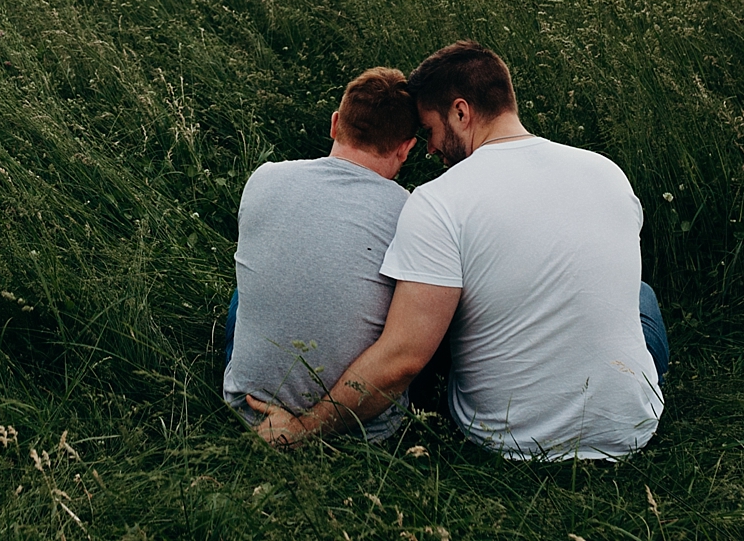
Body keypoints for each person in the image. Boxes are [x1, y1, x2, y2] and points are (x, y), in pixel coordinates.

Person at [247, 41, 667, 460]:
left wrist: (305, 427)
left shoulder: (439, 199)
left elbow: (404, 359)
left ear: (461, 112)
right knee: (641, 296)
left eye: (429, 131)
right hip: (631, 428)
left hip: (509, 438)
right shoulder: (607, 172)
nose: (428, 149)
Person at [223, 67, 422, 443]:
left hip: (247, 406)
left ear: (335, 124)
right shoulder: (411, 211)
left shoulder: (265, 177)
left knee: (249, 290)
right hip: (364, 428)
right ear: (406, 147)